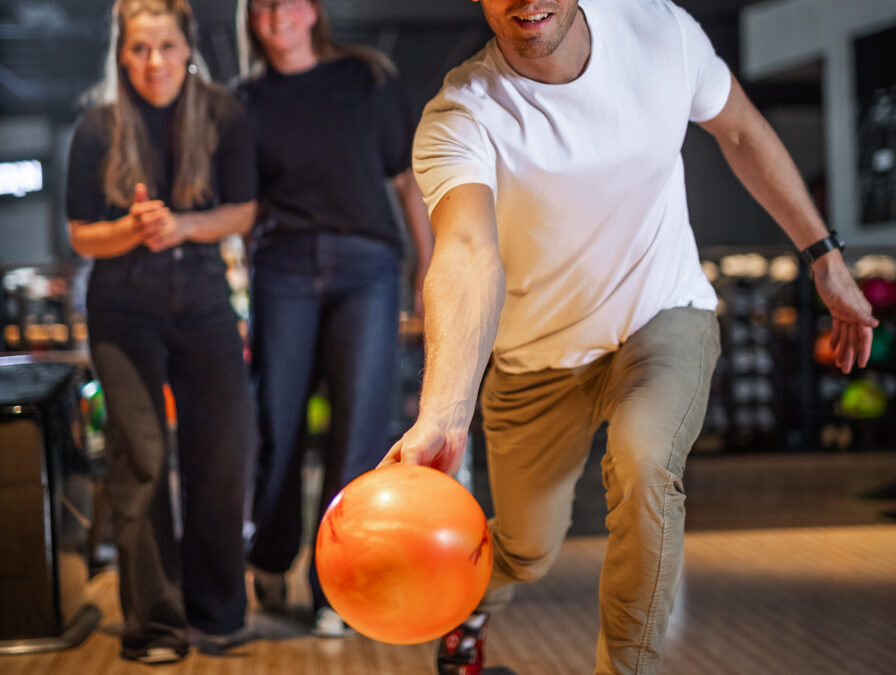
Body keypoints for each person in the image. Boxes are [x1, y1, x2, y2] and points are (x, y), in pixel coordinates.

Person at [379, 1, 879, 673]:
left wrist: (826, 256)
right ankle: (466, 611)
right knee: (526, 548)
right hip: (535, 359)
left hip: (661, 315)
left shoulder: (659, 32)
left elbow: (739, 131)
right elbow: (467, 252)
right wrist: (442, 412)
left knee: (644, 467)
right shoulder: (463, 111)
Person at [65, 0, 257, 664]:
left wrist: (181, 225)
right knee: (142, 459)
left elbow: (243, 211)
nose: (154, 63)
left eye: (166, 47)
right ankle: (158, 625)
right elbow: (80, 233)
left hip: (203, 295)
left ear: (187, 48)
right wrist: (133, 229)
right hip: (123, 305)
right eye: (140, 49)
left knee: (223, 451)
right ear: (123, 53)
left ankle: (218, 608)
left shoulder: (225, 115)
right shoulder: (97, 126)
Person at [235, 0, 434, 637]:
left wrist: (428, 273)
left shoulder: (367, 77)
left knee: (360, 426)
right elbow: (242, 209)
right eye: (261, 6)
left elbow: (407, 181)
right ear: (251, 19)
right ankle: (270, 552)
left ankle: (335, 589)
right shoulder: (244, 101)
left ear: (312, 9)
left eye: (286, 1)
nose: (275, 15)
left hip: (366, 267)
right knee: (277, 422)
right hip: (282, 267)